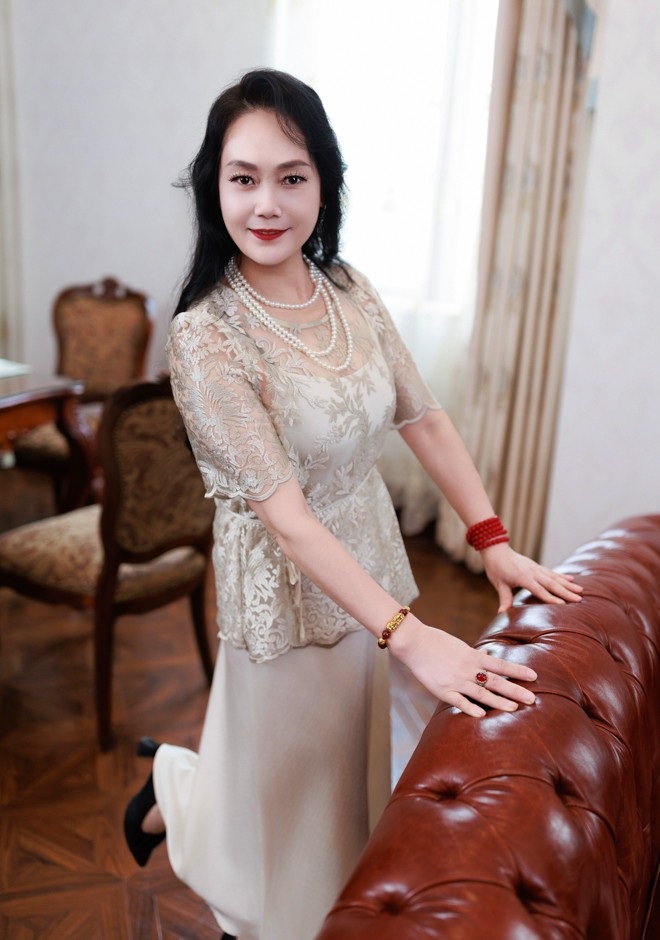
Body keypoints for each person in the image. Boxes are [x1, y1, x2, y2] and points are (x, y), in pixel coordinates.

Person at [123, 68, 582, 940]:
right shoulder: (206, 337)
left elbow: (425, 418)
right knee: (293, 812)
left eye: (291, 177)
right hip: (287, 593)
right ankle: (227, 858)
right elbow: (289, 520)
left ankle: (172, 790)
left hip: (369, 567)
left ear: (324, 184)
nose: (266, 204)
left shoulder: (349, 289)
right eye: (243, 178)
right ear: (215, 186)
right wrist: (413, 638)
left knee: (338, 784)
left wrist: (492, 539)